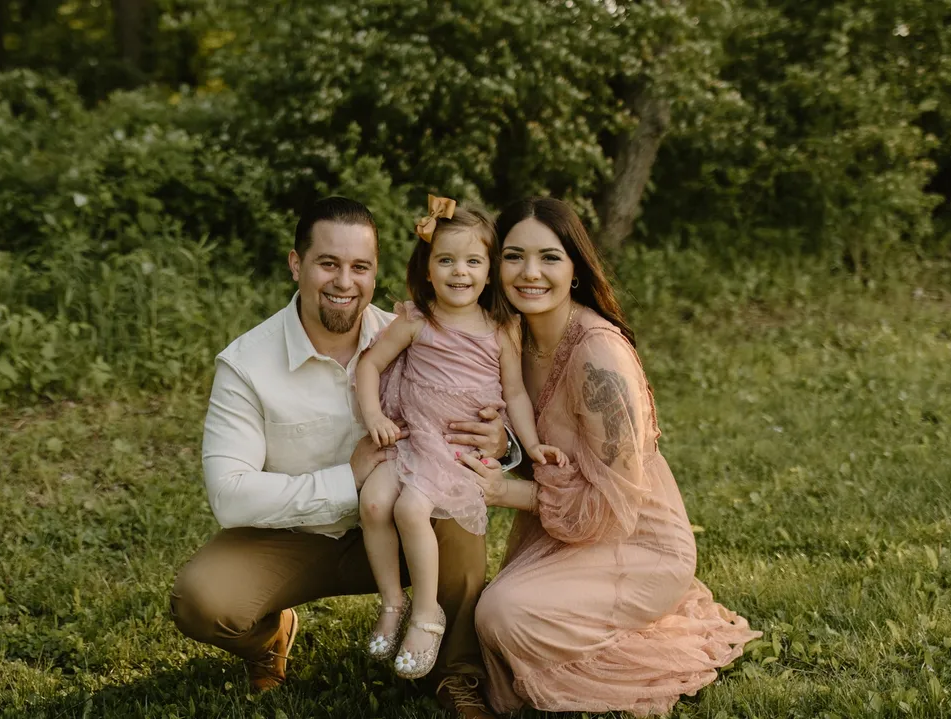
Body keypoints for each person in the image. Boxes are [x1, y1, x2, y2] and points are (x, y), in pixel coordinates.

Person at [168, 197, 514, 718]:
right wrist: (347, 478)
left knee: (458, 516)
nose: (344, 282)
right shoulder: (246, 364)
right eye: (328, 264)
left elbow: (481, 400)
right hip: (294, 534)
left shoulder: (415, 332)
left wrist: (501, 441)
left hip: (404, 522)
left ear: (375, 272)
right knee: (203, 600)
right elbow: (229, 496)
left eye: (360, 267)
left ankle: (455, 673)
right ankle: (269, 638)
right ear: (296, 264)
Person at [462, 197, 760, 716]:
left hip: (636, 539)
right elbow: (547, 452)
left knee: (502, 615)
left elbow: (610, 501)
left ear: (575, 268)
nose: (529, 272)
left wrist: (506, 491)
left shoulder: (599, 354)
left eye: (549, 257)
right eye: (513, 256)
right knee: (484, 614)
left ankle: (647, 636)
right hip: (566, 533)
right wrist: (502, 445)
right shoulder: (512, 338)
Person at [353, 196, 566, 679]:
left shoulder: (500, 330)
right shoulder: (417, 320)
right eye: (446, 260)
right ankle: (393, 602)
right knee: (374, 503)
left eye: (473, 261)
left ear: (490, 273)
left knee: (409, 509)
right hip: (412, 438)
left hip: (454, 451)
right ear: (428, 269)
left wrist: (530, 444)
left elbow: (514, 393)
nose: (459, 272)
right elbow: (370, 365)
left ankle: (428, 614)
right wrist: (373, 415)